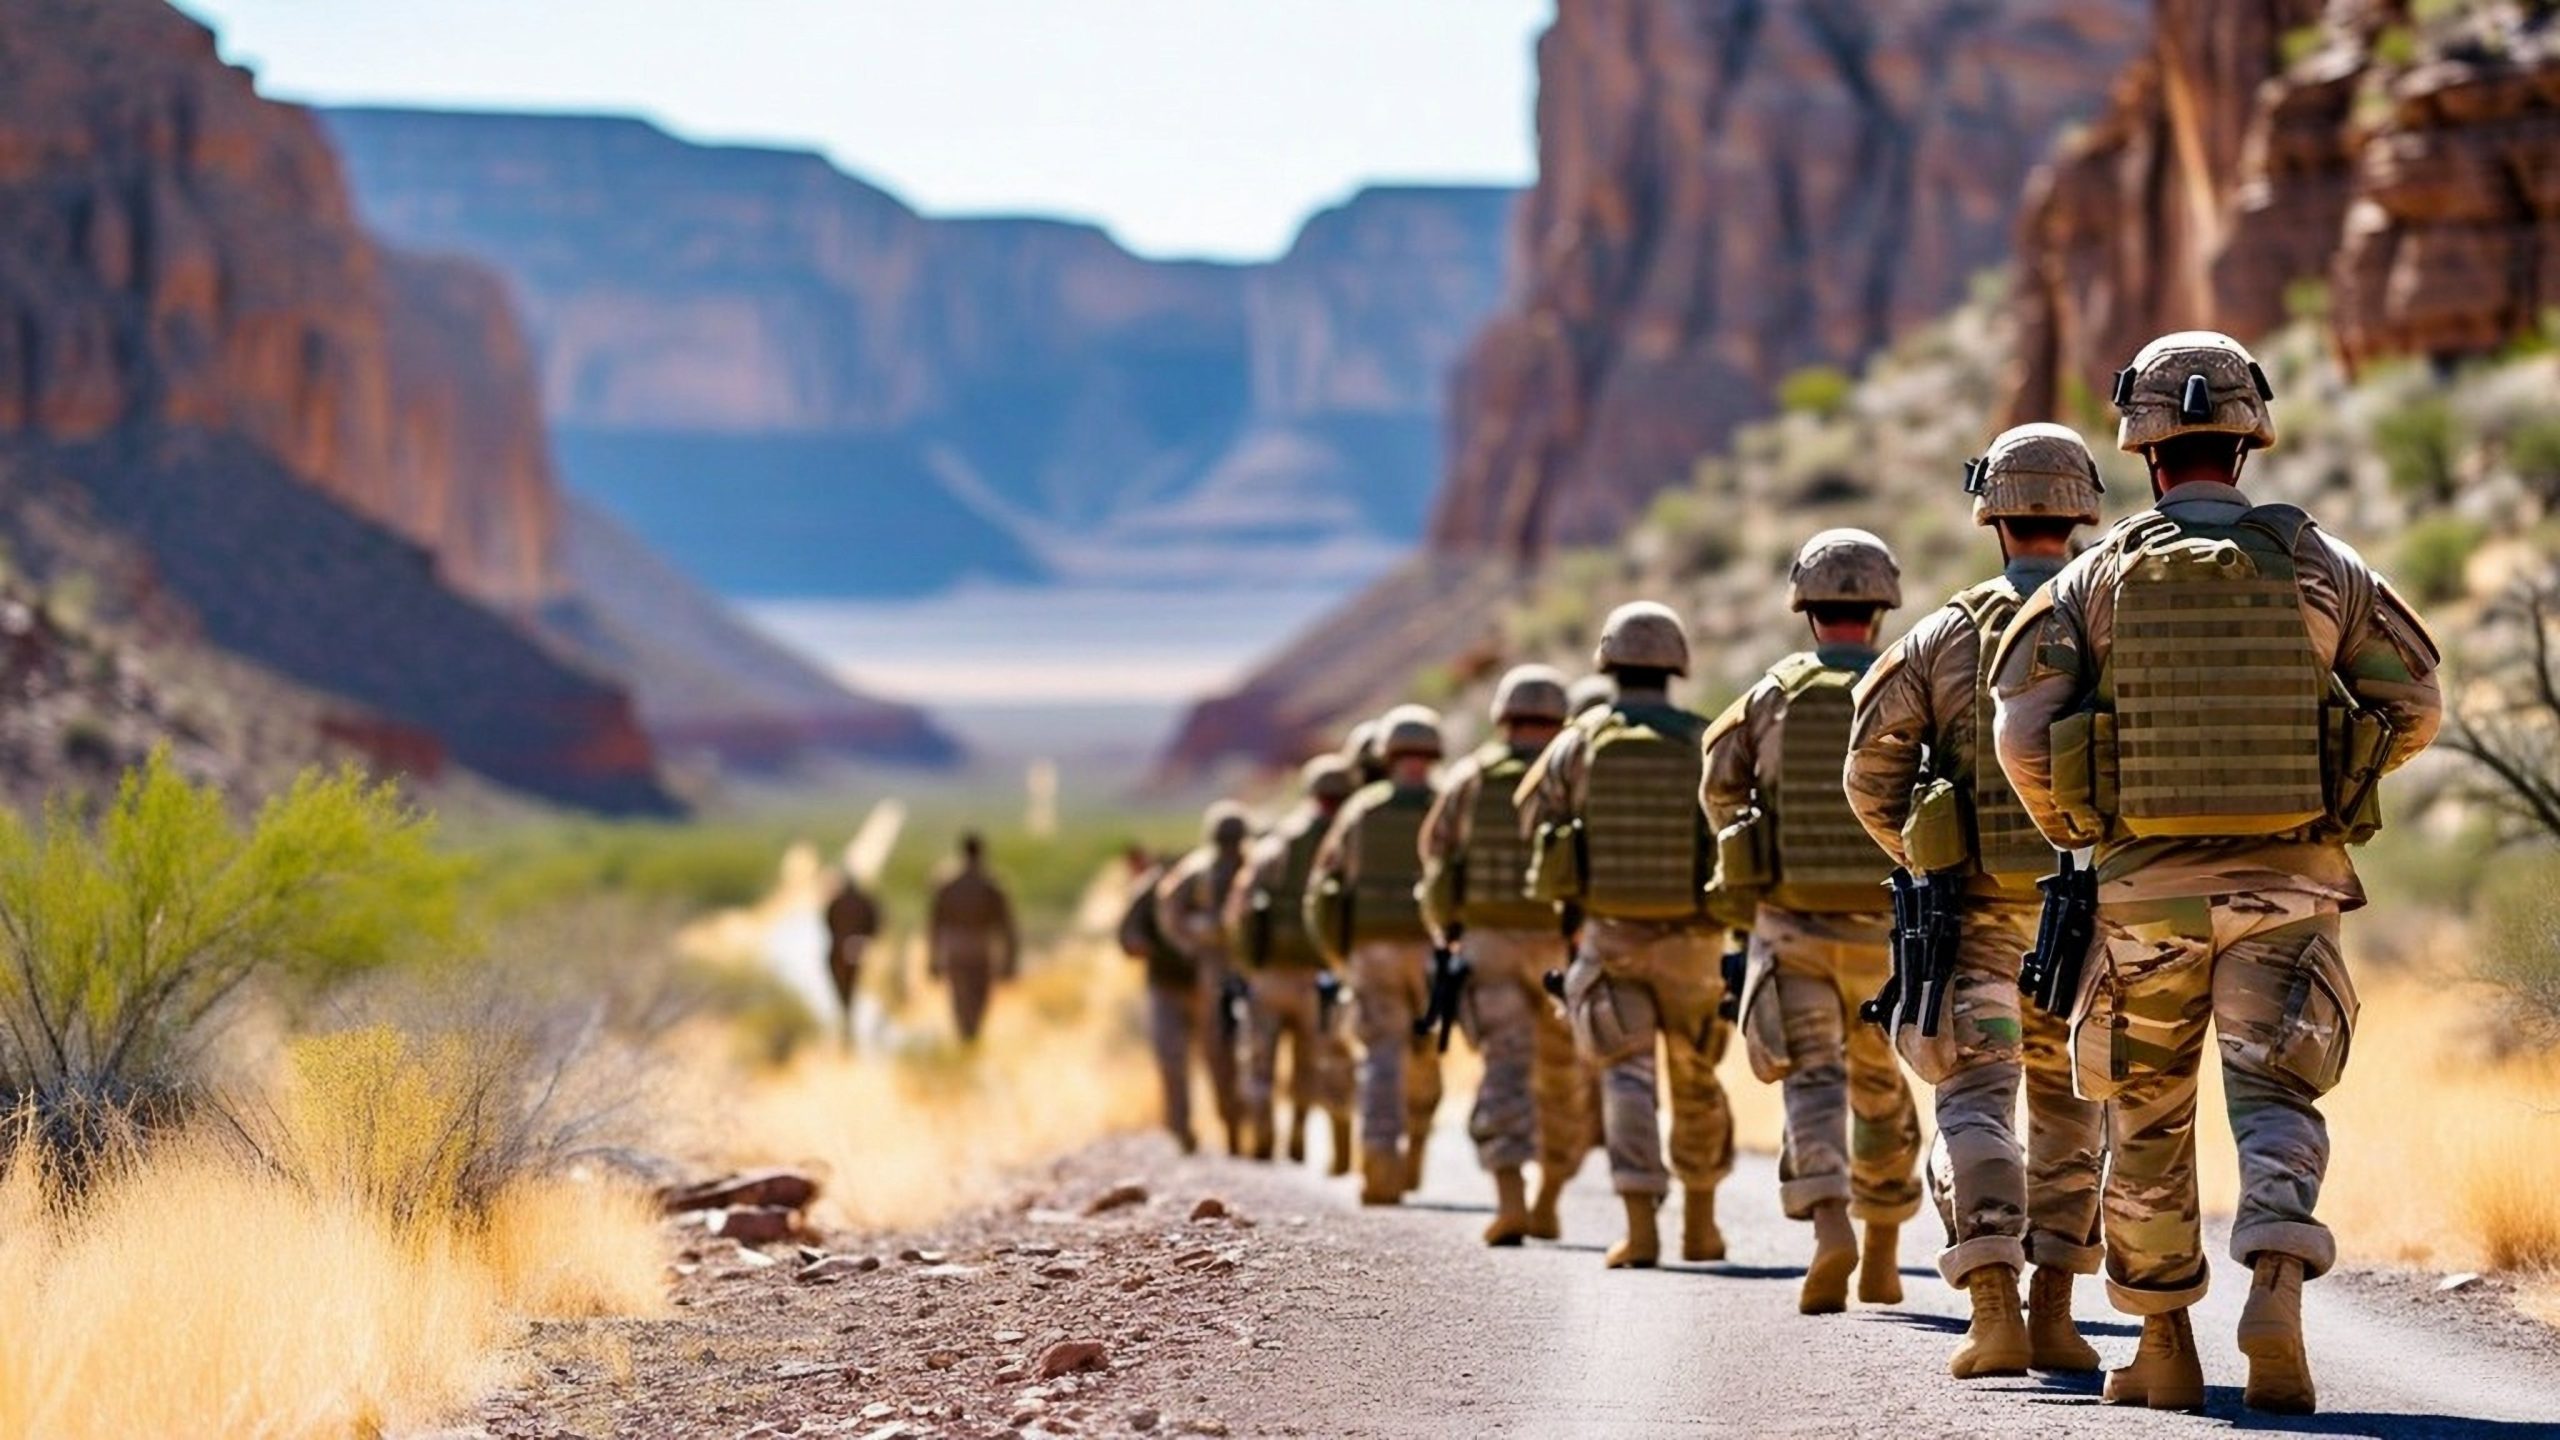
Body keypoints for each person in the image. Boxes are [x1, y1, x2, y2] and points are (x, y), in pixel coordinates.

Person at [1991, 331, 2441, 1414]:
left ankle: (2161, 1346)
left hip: (2142, 893)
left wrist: (2078, 823)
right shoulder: (2320, 565)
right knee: (2276, 1090)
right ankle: (2276, 1283)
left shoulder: (2092, 579)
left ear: (2143, 449)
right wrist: (2341, 780)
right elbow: (2415, 706)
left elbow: (2019, 732)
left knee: (2143, 1114)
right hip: (2289, 888)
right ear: (2247, 441)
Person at [1843, 424, 2108, 1377]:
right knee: (2077, 1110)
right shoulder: (2109, 609)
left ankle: (1990, 1311)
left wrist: (1927, 858)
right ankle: (2055, 1316)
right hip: (2092, 911)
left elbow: (1870, 774)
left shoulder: (1943, 633)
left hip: (1977, 920)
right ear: (2082, 509)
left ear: (1990, 513)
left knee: (1975, 1104)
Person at [1704, 531, 1922, 1314]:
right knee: (1881, 1082)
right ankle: (1887, 1249)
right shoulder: (1907, 679)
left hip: (1793, 929)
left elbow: (1719, 781)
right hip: (1888, 934)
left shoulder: (1771, 694)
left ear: (1806, 606)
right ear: (1881, 605)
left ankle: (1831, 1224)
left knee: (1813, 1082)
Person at [1516, 603, 1735, 1268]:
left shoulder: (1579, 741)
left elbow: (1532, 819)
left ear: (1608, 661)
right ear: (1676, 664)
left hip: (1611, 939)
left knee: (1627, 1078)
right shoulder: (1704, 736)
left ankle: (1641, 1229)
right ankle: (1701, 1223)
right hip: (1696, 942)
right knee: (1696, 1075)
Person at [1419, 664, 1590, 1245]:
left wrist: (1447, 931)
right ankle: (1549, 1197)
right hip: (1560, 944)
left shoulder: (1470, 779)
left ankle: (1510, 1198)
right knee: (1563, 1076)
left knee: (1504, 1069)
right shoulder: (1574, 772)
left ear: (1503, 719)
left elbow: (1438, 862)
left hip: (1489, 943)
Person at [1307, 706, 1447, 1205]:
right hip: (1434, 954)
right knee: (1426, 1056)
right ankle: (1416, 1154)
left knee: (1381, 1056)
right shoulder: (1446, 801)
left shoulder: (1361, 809)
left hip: (1371, 953)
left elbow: (1324, 890)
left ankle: (1380, 1163)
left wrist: (1340, 955)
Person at [1229, 756, 1360, 1170]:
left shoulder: (1276, 844)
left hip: (1270, 976)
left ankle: (1264, 1132)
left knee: (1260, 1061)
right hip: (1323, 976)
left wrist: (1249, 961)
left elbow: (1239, 908)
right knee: (1321, 1060)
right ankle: (1321, 1138)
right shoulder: (1348, 843)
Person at [1155, 802, 1254, 1155]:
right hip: (1230, 970)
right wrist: (1195, 940)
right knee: (1226, 1050)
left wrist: (1191, 941)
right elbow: (1170, 911)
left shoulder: (1214, 868)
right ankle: (1235, 1126)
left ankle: (1243, 1124)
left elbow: (1169, 911)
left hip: (1239, 969)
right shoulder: (1210, 870)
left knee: (1233, 1049)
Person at [1118, 846, 1204, 1152]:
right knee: (1172, 1059)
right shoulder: (1148, 893)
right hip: (1167, 986)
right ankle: (1181, 1128)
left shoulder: (1204, 880)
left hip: (1204, 988)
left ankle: (1235, 1127)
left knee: (1222, 1059)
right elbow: (1128, 937)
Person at [927, 831, 1019, 1044]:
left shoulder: (948, 886)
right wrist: (1010, 961)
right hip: (981, 949)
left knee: (961, 999)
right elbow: (1007, 928)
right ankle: (970, 1039)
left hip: (956, 950)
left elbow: (934, 926)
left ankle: (967, 1039)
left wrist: (933, 958)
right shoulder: (992, 886)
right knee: (978, 1000)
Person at [821, 870, 881, 1049]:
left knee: (844, 989)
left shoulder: (835, 903)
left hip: (839, 949)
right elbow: (875, 924)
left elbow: (828, 924)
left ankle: (849, 1020)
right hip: (858, 948)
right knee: (853, 988)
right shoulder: (866, 902)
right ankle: (850, 1021)